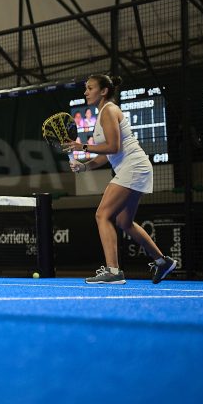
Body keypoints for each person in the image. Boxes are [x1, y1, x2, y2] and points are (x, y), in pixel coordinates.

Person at [66, 74, 177, 284]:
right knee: (124, 222)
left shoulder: (109, 110)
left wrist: (83, 147)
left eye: (90, 88)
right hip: (136, 167)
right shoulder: (102, 115)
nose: (85, 92)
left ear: (104, 91)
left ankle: (113, 271)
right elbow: (106, 156)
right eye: (86, 88)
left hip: (133, 166)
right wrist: (84, 166)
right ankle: (162, 261)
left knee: (102, 215)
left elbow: (113, 147)